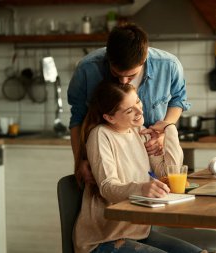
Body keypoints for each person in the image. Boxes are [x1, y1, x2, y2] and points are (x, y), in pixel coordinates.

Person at [73, 80, 205, 253]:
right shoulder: (100, 136)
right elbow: (107, 187)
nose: (139, 111)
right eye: (129, 110)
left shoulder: (139, 132)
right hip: (102, 239)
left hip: (138, 231)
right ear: (109, 117)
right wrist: (142, 189)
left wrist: (170, 129)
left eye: (137, 101)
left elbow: (168, 173)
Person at [67, 23, 190, 185]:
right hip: (108, 161)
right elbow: (77, 117)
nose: (123, 81)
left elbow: (178, 100)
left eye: (131, 76)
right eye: (116, 74)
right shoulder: (87, 69)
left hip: (152, 154)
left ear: (144, 58)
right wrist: (80, 161)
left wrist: (164, 129)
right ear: (108, 57)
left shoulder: (170, 66)